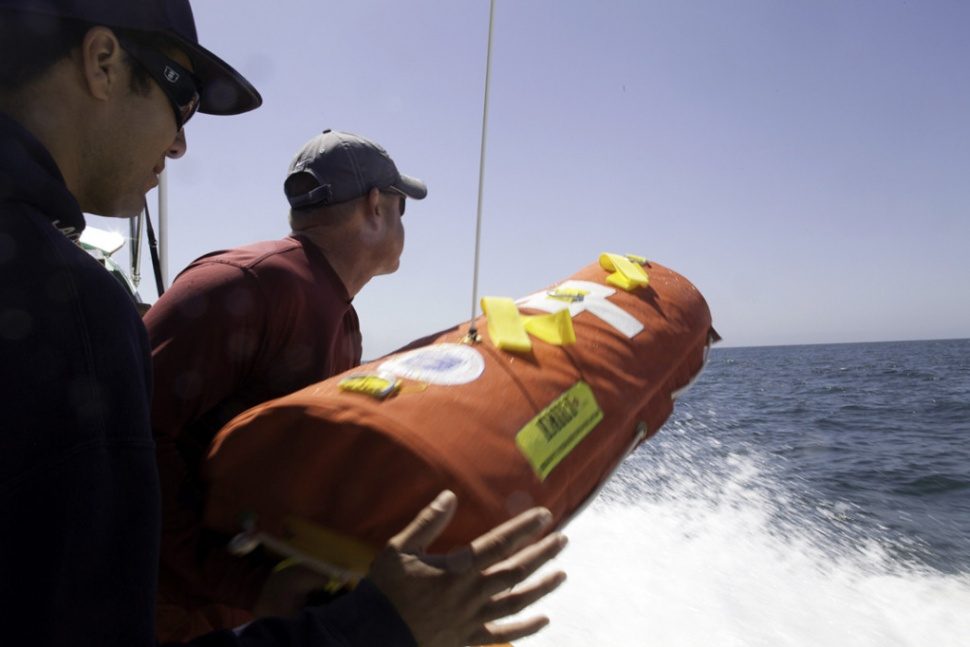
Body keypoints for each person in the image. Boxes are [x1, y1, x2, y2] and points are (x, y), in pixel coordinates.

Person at [0, 1, 566, 645]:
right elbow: (135, 467)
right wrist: (362, 623)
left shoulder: (337, 320)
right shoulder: (235, 288)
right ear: (377, 207)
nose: (182, 141)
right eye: (180, 97)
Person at [145, 129, 425, 638]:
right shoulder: (245, 285)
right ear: (376, 206)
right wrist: (241, 582)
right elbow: (128, 439)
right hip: (167, 611)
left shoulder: (342, 321)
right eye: (403, 208)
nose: (405, 224)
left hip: (248, 610)